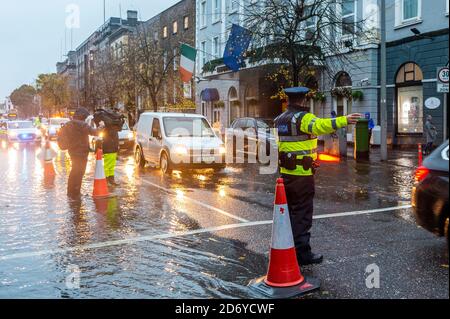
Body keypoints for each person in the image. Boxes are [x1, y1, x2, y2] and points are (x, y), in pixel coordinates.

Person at [274, 87, 361, 265]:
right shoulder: (304, 118)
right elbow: (321, 126)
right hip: (302, 175)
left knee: (290, 212)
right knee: (303, 214)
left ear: (289, 100)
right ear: (304, 100)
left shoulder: (280, 119)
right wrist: (344, 120)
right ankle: (302, 254)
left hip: (286, 173)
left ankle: (290, 246)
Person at [59, 107, 102, 199]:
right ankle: (76, 193)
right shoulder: (82, 125)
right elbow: (95, 132)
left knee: (74, 172)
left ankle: (71, 192)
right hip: (81, 153)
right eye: (85, 117)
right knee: (79, 173)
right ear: (82, 116)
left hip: (72, 152)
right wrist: (101, 126)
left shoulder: (69, 124)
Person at [94, 108, 124, 186]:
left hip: (113, 147)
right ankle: (107, 180)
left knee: (112, 165)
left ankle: (111, 179)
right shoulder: (107, 127)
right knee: (108, 165)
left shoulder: (113, 127)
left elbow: (120, 128)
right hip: (108, 147)